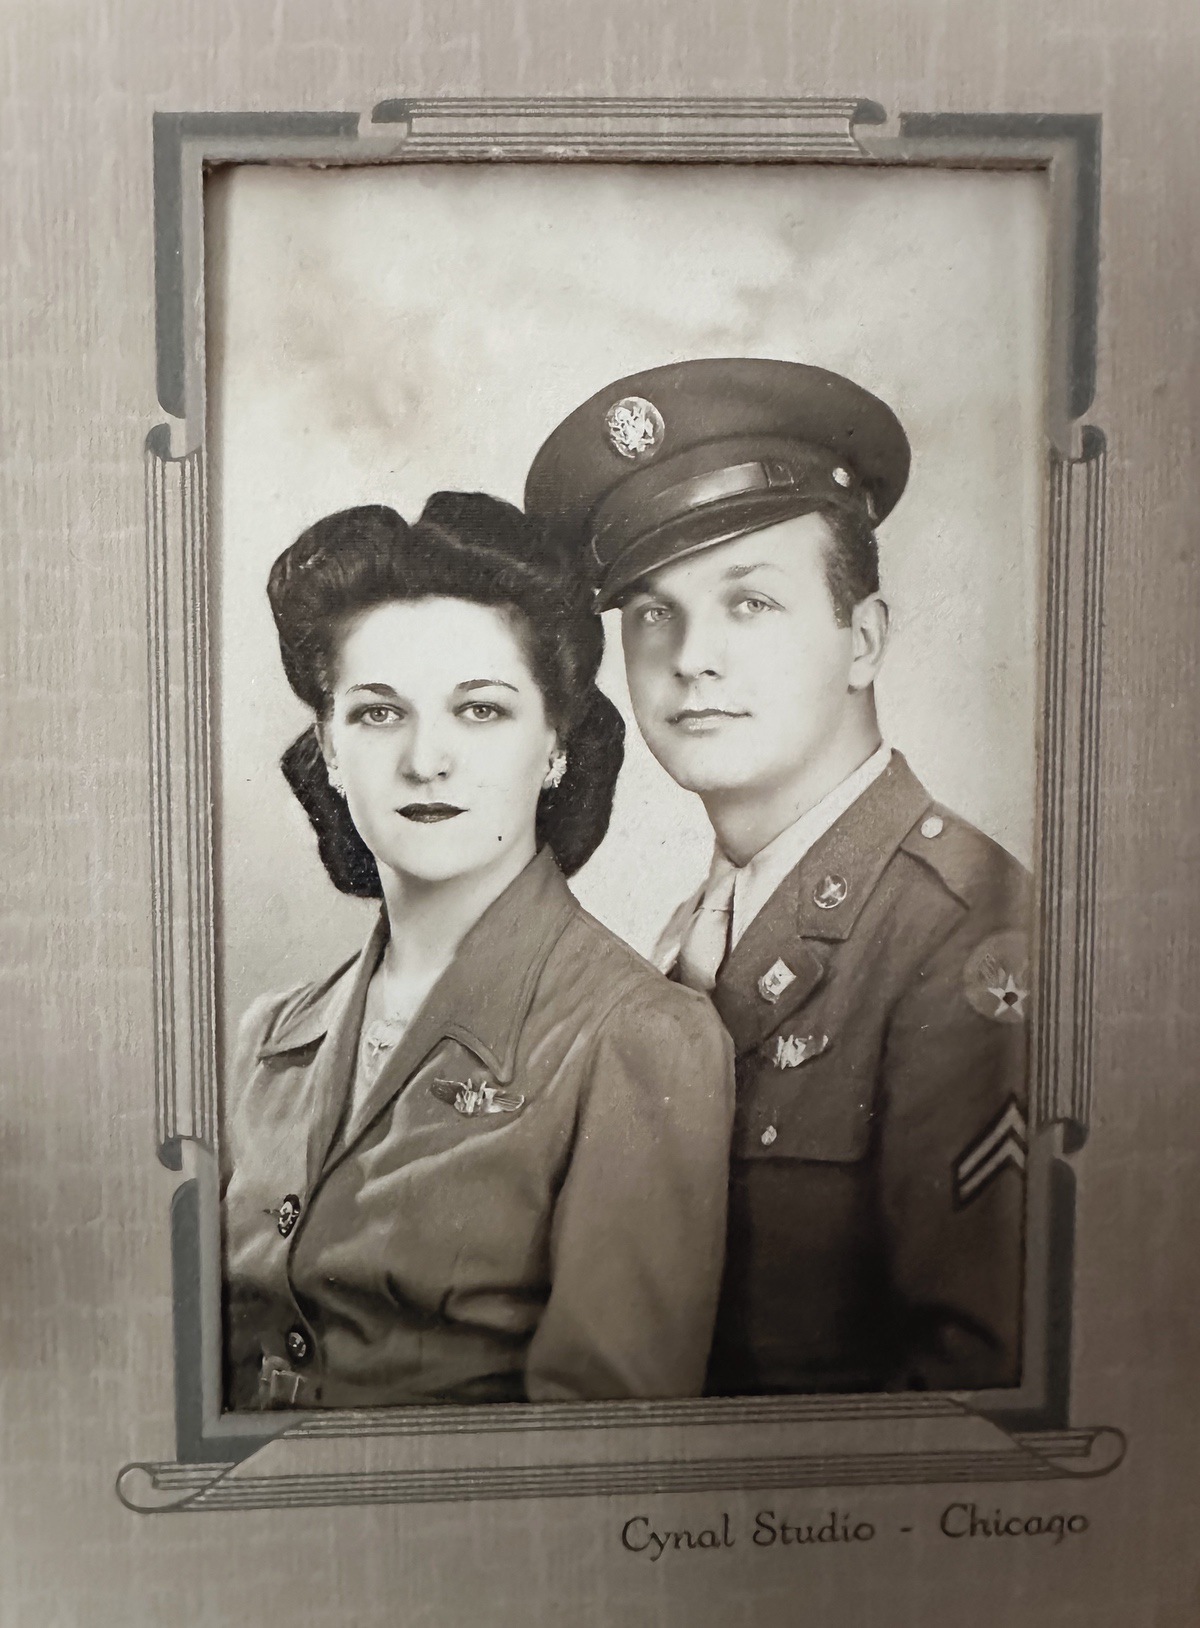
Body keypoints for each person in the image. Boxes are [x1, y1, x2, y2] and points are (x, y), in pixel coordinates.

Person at [525, 358, 1030, 1396]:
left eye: (749, 601)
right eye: (653, 612)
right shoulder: (686, 939)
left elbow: (984, 1399)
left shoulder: (967, 937)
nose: (691, 656)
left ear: (864, 639)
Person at [221, 493, 734, 1411]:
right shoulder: (269, 1038)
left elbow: (596, 1455)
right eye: (378, 715)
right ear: (330, 752)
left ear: (556, 748)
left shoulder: (642, 1037)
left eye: (481, 711)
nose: (426, 759)